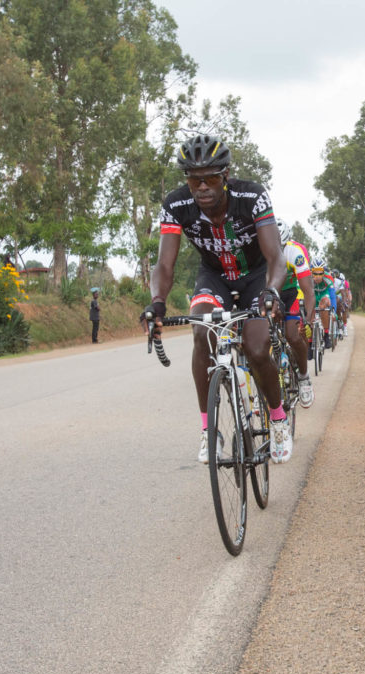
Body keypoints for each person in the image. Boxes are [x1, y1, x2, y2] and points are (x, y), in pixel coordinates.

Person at [144, 134, 292, 464]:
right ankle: (210, 430)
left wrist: (271, 291)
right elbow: (164, 264)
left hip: (255, 277)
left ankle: (278, 419)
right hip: (214, 278)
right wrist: (157, 302)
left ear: (225, 175)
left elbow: (275, 257)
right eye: (194, 180)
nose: (202, 188)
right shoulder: (175, 204)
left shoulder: (251, 196)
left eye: (210, 178)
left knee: (256, 348)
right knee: (202, 334)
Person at [276, 220, 316, 408]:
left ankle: (303, 377)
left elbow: (308, 292)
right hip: (268, 294)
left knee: (292, 335)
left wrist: (307, 320)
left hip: (291, 294)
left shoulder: (294, 253)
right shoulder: (258, 251)